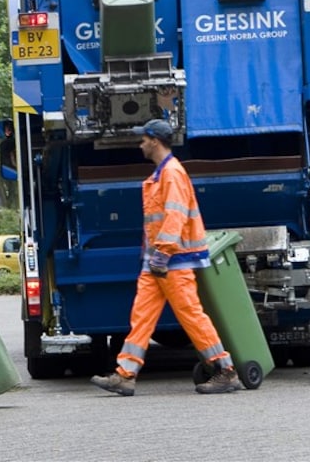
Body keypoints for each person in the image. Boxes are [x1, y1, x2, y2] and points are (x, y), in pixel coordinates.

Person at [90, 119, 242, 396]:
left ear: (154, 141)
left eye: (143, 139)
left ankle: (225, 370)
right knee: (142, 316)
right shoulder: (163, 174)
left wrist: (163, 252)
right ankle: (125, 374)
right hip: (158, 261)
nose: (140, 144)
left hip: (172, 260)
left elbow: (175, 216)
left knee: (191, 315)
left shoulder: (172, 173)